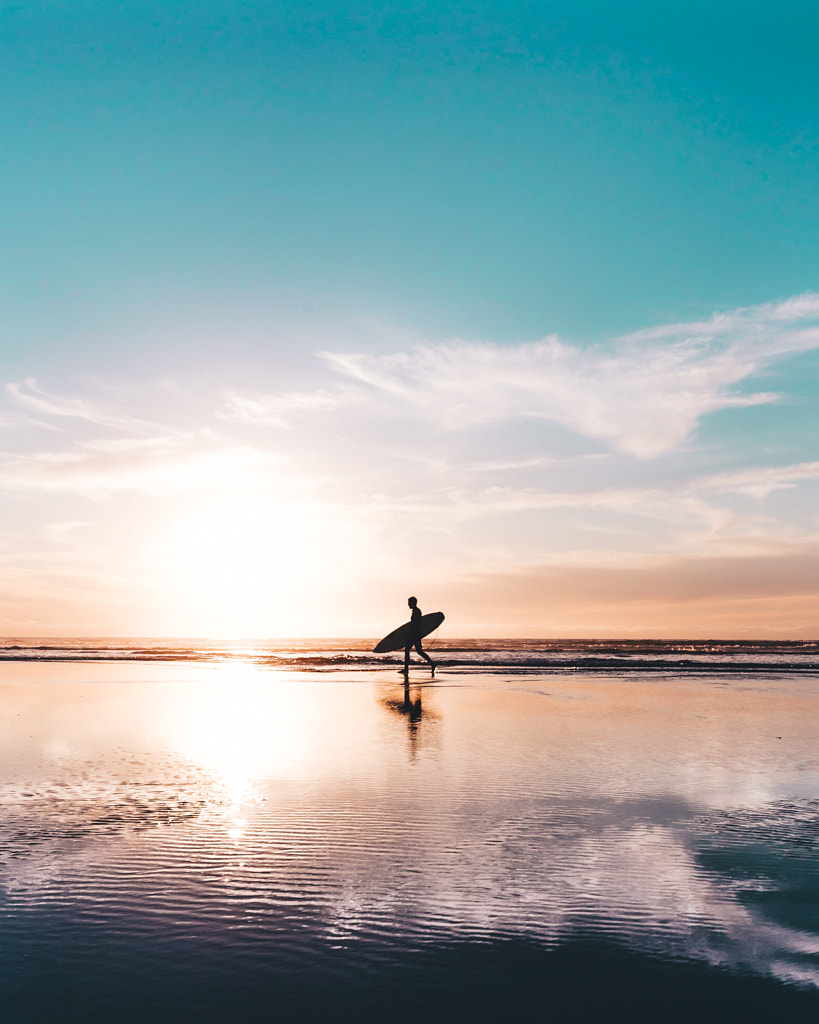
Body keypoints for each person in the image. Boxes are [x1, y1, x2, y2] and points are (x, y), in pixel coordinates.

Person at [403, 596, 436, 674]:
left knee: (408, 650)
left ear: (413, 603)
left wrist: (410, 634)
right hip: (416, 634)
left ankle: (406, 669)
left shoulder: (417, 611)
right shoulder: (416, 611)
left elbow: (416, 624)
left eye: (409, 603)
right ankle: (432, 664)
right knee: (418, 651)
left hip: (414, 634)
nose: (408, 605)